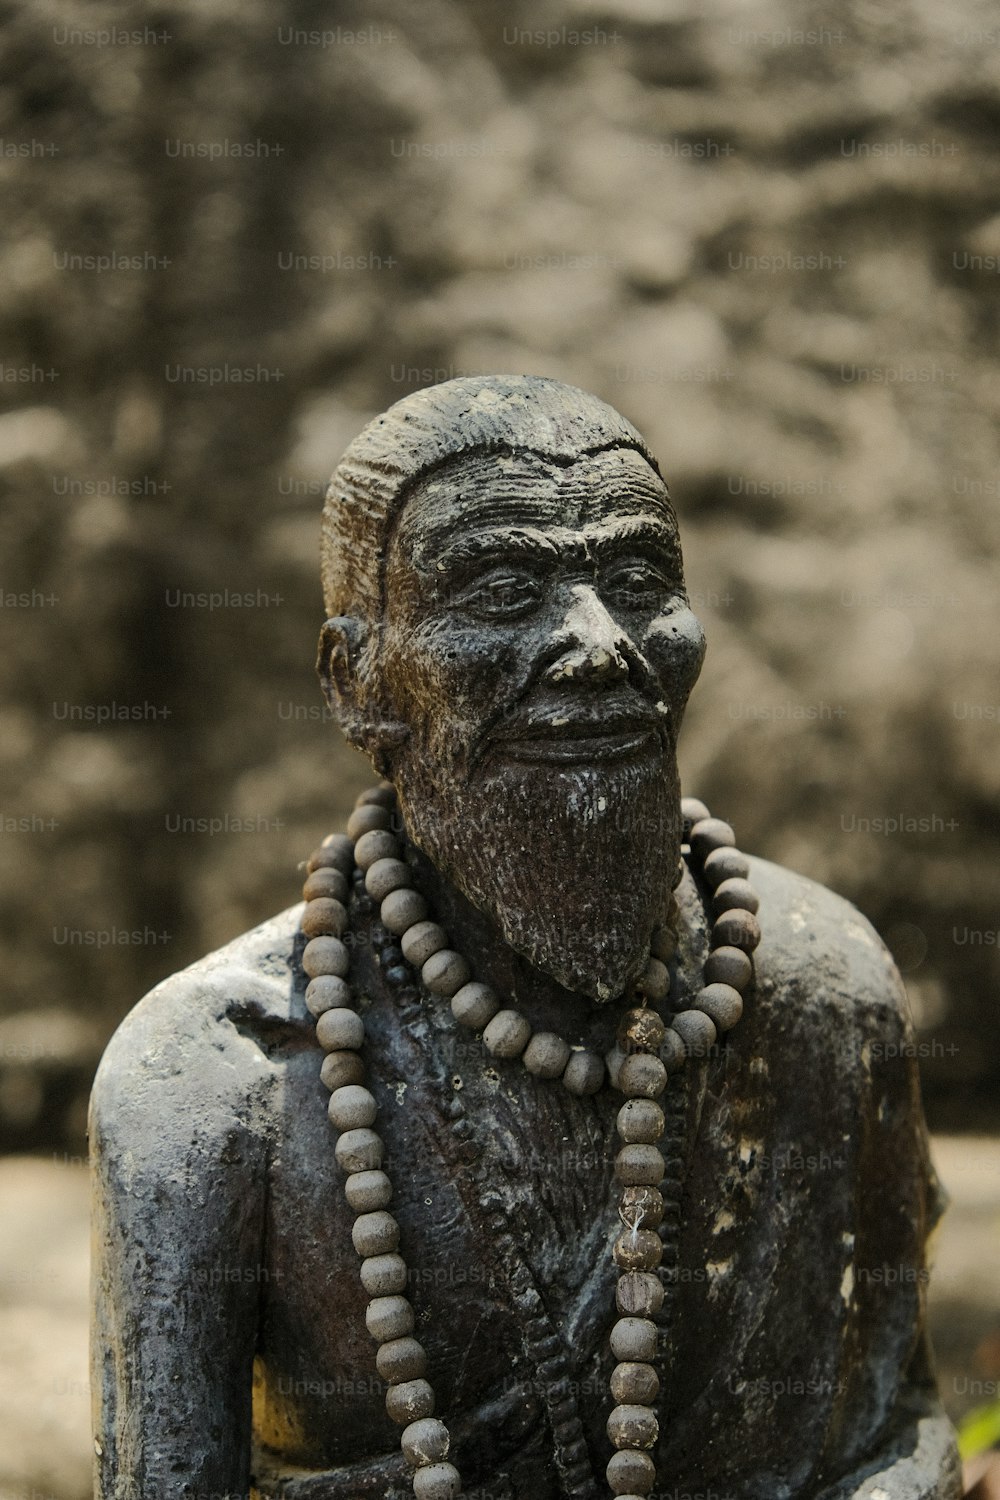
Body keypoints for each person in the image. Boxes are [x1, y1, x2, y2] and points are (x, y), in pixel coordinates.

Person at [90, 375, 961, 1499]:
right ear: (355, 680)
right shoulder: (217, 1073)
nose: (599, 642)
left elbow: (899, 1418)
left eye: (641, 580)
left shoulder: (820, 987)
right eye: (501, 589)